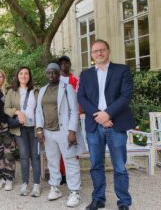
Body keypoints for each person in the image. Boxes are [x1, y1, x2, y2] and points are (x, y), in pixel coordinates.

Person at [78, 39, 135, 210]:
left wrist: (107, 114)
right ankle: (98, 199)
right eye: (95, 51)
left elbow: (126, 96)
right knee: (96, 165)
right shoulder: (85, 75)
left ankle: (124, 202)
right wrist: (99, 115)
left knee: (119, 166)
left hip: (115, 124)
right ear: (92, 55)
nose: (99, 53)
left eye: (102, 50)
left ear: (108, 51)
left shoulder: (122, 70)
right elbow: (81, 97)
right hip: (95, 126)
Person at [36, 63, 86, 208]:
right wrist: (39, 129)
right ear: (46, 74)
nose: (51, 75)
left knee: (70, 161)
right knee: (52, 161)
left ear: (59, 73)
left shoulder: (67, 88)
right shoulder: (43, 90)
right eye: (49, 73)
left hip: (64, 132)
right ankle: (55, 188)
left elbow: (74, 110)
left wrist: (72, 131)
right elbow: (39, 111)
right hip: (48, 132)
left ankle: (75, 192)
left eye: (54, 72)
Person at [4, 66, 41, 197]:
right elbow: (6, 108)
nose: (24, 76)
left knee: (35, 156)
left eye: (26, 73)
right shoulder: (12, 91)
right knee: (24, 156)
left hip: (34, 128)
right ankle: (25, 183)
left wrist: (41, 127)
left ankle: (36, 184)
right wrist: (17, 111)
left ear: (29, 76)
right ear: (17, 76)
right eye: (21, 73)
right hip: (20, 129)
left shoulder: (36, 91)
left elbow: (40, 109)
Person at [0, 69, 16, 192]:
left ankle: (9, 178)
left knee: (9, 153)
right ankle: (1, 177)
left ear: (4, 78)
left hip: (7, 126)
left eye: (1, 77)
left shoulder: (9, 91)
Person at [58, 55, 80, 185]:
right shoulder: (54, 80)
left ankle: (71, 173)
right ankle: (61, 173)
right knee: (59, 148)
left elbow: (78, 102)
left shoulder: (76, 81)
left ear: (70, 64)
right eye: (61, 63)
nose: (64, 65)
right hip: (59, 120)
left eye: (66, 63)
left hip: (71, 119)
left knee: (72, 146)